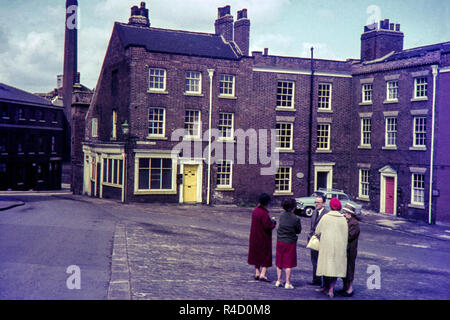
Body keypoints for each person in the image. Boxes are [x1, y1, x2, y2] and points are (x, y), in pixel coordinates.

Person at [315, 198, 348, 298]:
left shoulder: (325, 217)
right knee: (335, 269)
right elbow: (346, 235)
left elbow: (317, 231)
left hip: (326, 246)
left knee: (325, 266)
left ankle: (325, 287)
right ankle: (331, 289)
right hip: (339, 247)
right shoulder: (343, 219)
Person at [248, 193, 276, 282]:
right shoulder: (264, 213)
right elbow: (267, 225)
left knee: (256, 255)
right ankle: (263, 274)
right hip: (263, 238)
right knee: (265, 256)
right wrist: (273, 223)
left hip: (254, 237)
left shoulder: (255, 211)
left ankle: (257, 272)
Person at [275, 198, 302, 289]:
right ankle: (288, 282)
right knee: (288, 263)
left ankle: (278, 280)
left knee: (279, 261)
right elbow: (298, 231)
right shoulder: (296, 218)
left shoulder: (281, 215)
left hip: (280, 241)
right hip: (290, 242)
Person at [339, 203, 361, 297]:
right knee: (344, 269)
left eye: (345, 212)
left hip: (350, 250)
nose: (343, 214)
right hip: (345, 249)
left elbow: (349, 236)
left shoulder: (354, 223)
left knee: (350, 269)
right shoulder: (347, 221)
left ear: (349, 214)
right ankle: (345, 287)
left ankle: (350, 289)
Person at [308, 194, 329, 287]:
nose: (316, 204)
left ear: (324, 203)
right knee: (314, 260)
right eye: (315, 202)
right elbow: (312, 227)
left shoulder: (327, 214)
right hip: (313, 241)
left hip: (323, 241)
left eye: (318, 202)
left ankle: (324, 283)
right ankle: (316, 280)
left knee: (322, 262)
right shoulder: (314, 212)